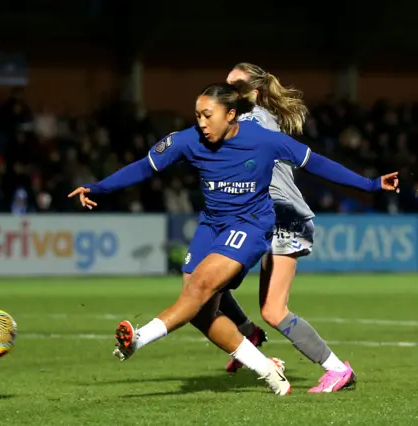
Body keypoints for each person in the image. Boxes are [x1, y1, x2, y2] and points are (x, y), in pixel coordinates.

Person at [68, 81, 398, 395]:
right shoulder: (187, 140)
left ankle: (137, 340)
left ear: (231, 115)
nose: (201, 123)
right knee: (198, 311)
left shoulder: (264, 140)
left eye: (207, 115)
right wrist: (98, 187)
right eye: (197, 115)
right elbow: (144, 167)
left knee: (198, 288)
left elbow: (316, 163)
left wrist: (369, 184)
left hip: (252, 224)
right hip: (211, 225)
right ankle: (268, 370)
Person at [215, 63, 357, 392]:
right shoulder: (245, 119)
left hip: (284, 217)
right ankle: (246, 331)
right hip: (262, 218)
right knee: (208, 283)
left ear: (254, 91)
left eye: (234, 85)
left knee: (274, 309)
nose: (226, 89)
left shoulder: (254, 120)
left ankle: (338, 369)